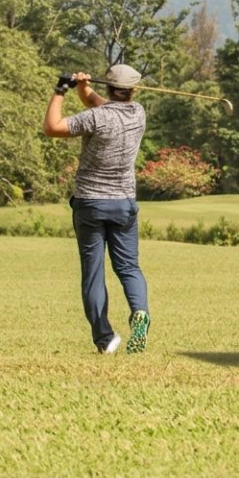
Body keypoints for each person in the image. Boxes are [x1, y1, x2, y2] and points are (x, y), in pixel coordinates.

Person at [42, 65, 151, 354]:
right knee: (129, 267)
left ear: (109, 86)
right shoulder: (138, 113)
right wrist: (83, 88)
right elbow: (100, 104)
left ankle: (105, 338)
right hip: (123, 204)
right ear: (133, 90)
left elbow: (52, 127)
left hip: (90, 203)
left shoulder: (96, 118)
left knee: (93, 272)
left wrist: (61, 90)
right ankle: (139, 311)